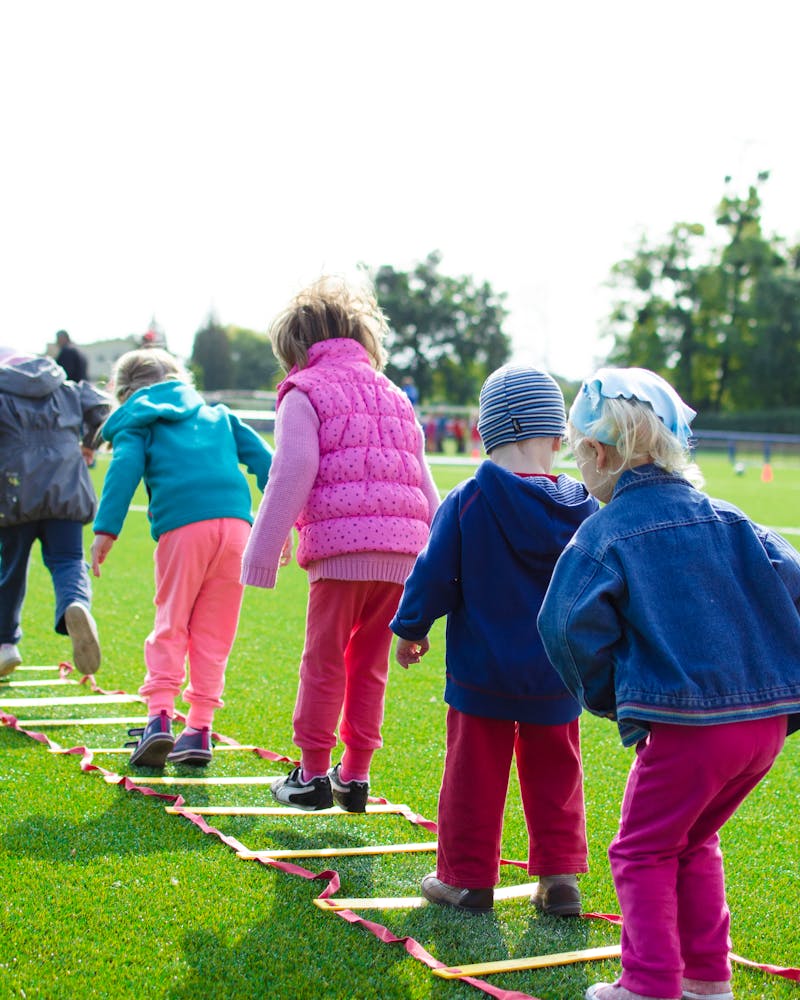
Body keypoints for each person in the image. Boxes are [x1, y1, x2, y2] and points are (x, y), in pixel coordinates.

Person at [537, 368, 800, 1000]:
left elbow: (564, 624)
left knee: (641, 851)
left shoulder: (605, 532)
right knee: (692, 839)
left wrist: (607, 696)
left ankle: (651, 986)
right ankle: (707, 980)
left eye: (579, 455)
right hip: (763, 728)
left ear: (599, 455)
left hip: (689, 730)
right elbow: (790, 579)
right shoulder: (731, 518)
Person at [390, 364, 600, 915]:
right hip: (558, 673)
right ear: (557, 436)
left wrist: (411, 628)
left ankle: (467, 878)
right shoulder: (585, 507)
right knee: (557, 774)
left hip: (481, 672)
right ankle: (560, 880)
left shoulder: (468, 499)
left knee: (472, 776)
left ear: (484, 434)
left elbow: (433, 574)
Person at [241, 276, 440, 812]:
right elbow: (424, 481)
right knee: (369, 664)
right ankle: (354, 775)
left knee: (323, 660)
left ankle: (310, 775)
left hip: (341, 552)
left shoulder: (304, 391)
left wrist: (263, 549)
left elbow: (295, 467)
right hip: (404, 556)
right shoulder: (395, 394)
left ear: (296, 348)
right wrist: (443, 563)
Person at [90, 349, 273, 768]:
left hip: (184, 528)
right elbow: (269, 463)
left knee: (171, 621)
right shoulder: (220, 415)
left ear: (124, 393)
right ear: (179, 378)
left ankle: (158, 719)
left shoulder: (140, 421)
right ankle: (199, 730)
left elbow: (125, 468)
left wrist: (106, 530)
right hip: (237, 530)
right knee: (215, 632)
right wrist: (282, 522)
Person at [0, 348, 108, 677]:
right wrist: (90, 442)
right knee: (68, 560)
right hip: (67, 487)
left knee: (11, 568)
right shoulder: (67, 388)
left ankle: (4, 644)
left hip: (16, 490)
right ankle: (75, 605)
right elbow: (103, 410)